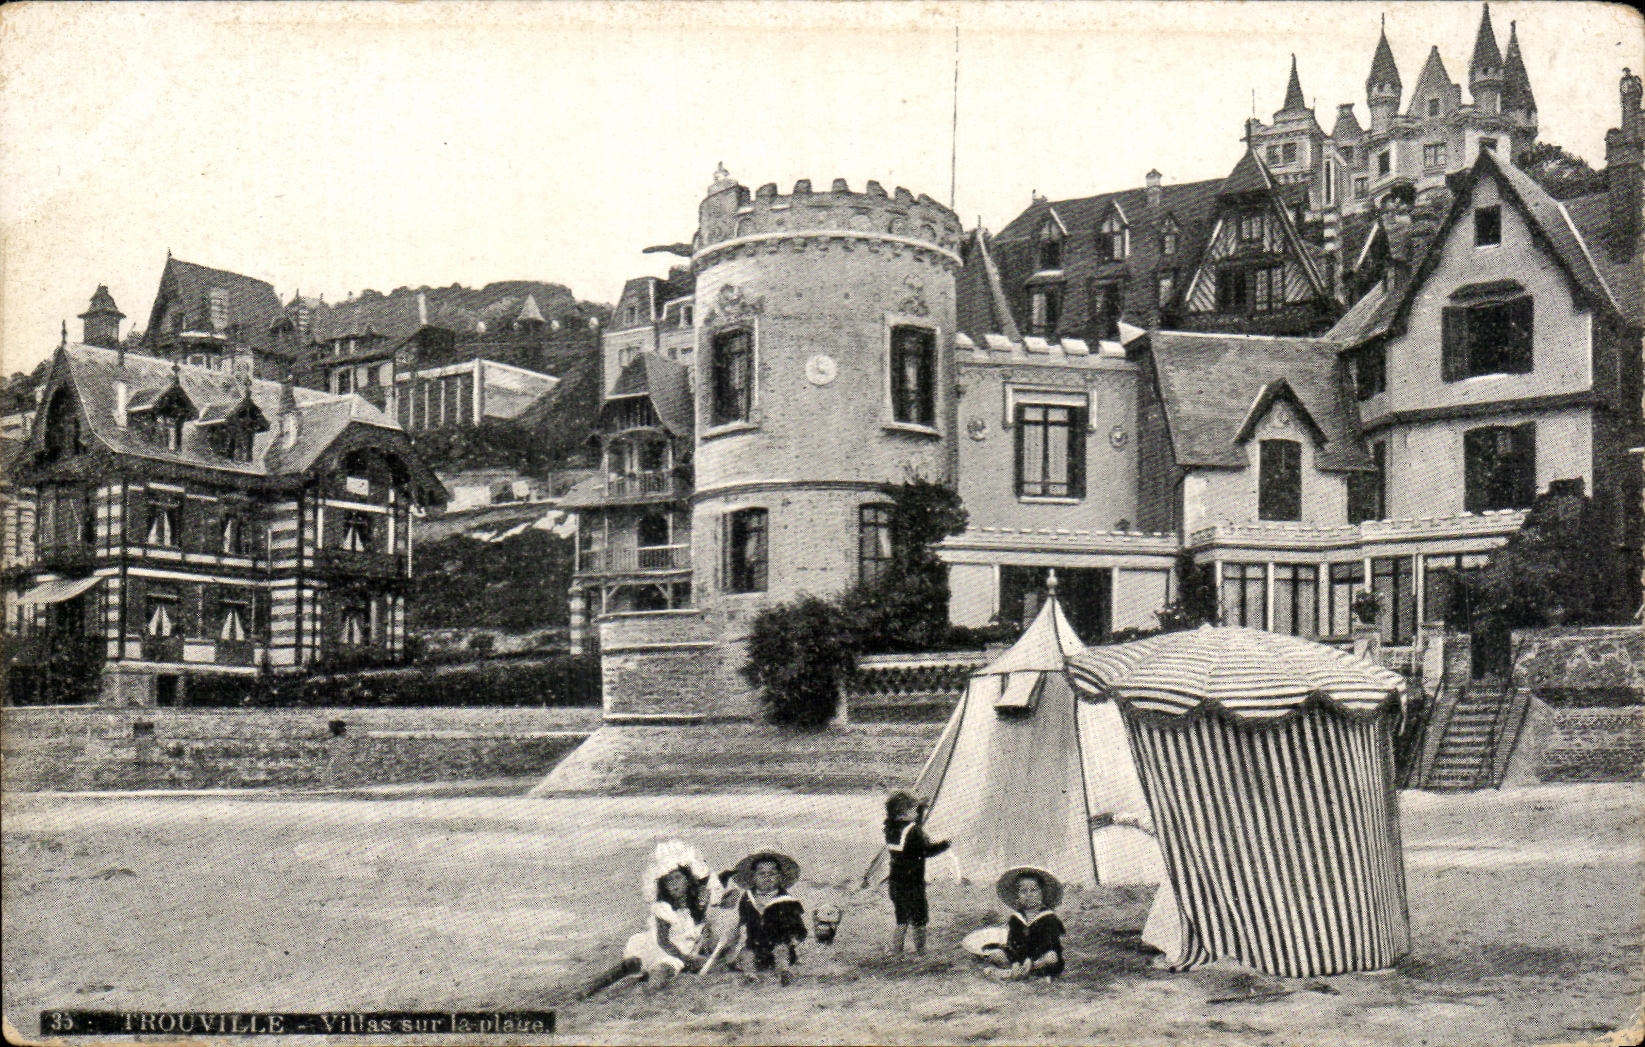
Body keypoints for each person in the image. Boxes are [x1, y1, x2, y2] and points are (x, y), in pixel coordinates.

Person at [582, 840, 720, 997]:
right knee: (630, 964)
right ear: (662, 886)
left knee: (662, 972)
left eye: (677, 878)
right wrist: (685, 959)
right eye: (668, 881)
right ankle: (590, 988)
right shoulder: (664, 908)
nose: (674, 884)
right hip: (661, 947)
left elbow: (703, 926)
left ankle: (643, 994)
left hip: (680, 949)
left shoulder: (695, 904)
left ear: (688, 880)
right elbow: (663, 941)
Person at [866, 789, 950, 955]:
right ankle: (921, 951)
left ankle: (897, 951)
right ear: (903, 813)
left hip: (896, 882)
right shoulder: (913, 831)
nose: (916, 813)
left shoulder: (890, 829)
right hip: (913, 883)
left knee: (901, 919)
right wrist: (945, 844)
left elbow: (910, 824)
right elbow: (926, 851)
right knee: (919, 920)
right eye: (913, 810)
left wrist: (919, 807)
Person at [967, 867, 1066, 980]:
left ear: (1043, 893)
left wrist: (1031, 961)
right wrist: (1015, 962)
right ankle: (1018, 972)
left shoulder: (1049, 918)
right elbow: (1012, 943)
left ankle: (1017, 973)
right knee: (997, 954)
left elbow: (1047, 944)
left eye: (1034, 890)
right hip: (1020, 957)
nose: (1029, 895)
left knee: (1051, 957)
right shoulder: (1016, 918)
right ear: (1018, 896)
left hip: (1038, 959)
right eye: (1023, 891)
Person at [728, 850, 808, 985]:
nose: (767, 877)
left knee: (781, 951)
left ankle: (783, 972)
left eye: (772, 874)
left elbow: (799, 927)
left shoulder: (787, 901)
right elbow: (741, 922)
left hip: (779, 943)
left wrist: (793, 939)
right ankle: (750, 975)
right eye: (762, 874)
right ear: (753, 877)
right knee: (746, 954)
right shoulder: (747, 899)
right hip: (755, 945)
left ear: (780, 877)